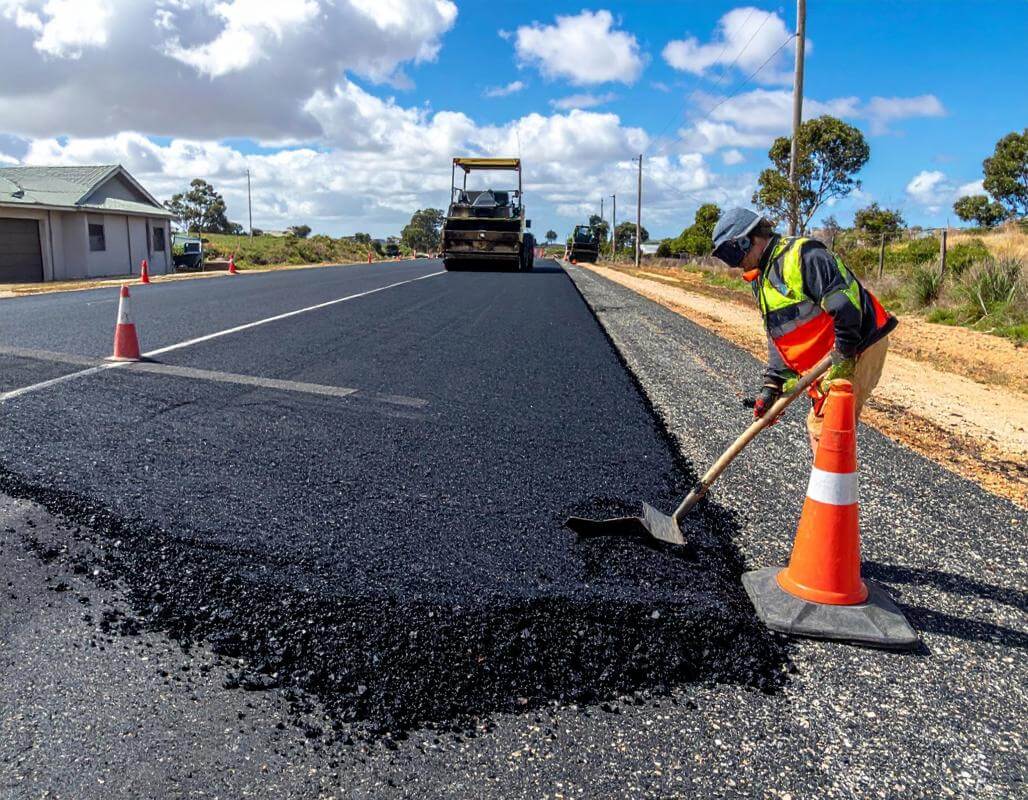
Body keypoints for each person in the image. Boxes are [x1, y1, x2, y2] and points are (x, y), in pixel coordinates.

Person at [710, 208, 897, 454]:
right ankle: (829, 478)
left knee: (827, 427)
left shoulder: (803, 256)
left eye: (731, 254)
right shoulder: (761, 277)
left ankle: (832, 480)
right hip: (832, 354)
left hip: (858, 345)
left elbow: (845, 307)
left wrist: (843, 360)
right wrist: (773, 384)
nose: (735, 265)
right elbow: (778, 334)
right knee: (824, 428)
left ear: (748, 240)